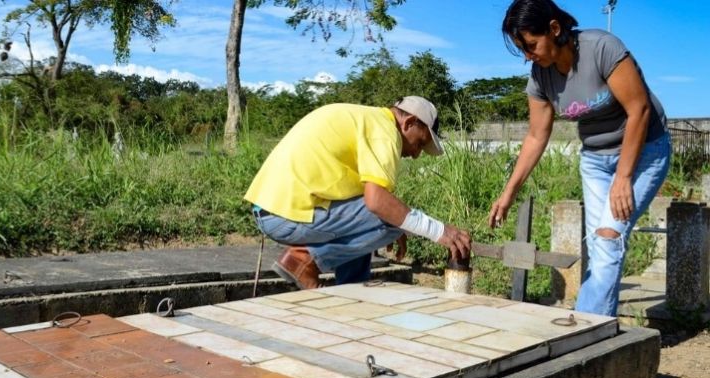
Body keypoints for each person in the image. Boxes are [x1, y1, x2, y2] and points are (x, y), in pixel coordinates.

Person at [491, 0, 671, 316]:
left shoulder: (601, 47)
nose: (527, 55)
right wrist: (509, 193)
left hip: (643, 151)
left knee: (608, 236)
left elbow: (639, 109)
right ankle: (597, 325)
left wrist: (624, 178)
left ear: (555, 29)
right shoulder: (541, 76)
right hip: (596, 159)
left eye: (531, 45)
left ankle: (588, 324)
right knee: (602, 244)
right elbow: (536, 136)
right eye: (523, 48)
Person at [245, 96, 472, 289]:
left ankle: (350, 290)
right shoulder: (385, 132)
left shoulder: (366, 119)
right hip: (286, 215)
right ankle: (303, 259)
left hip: (272, 209)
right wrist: (438, 230)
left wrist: (391, 222)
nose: (415, 154)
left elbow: (371, 202)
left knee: (389, 217)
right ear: (409, 123)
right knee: (389, 218)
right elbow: (376, 202)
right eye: (420, 144)